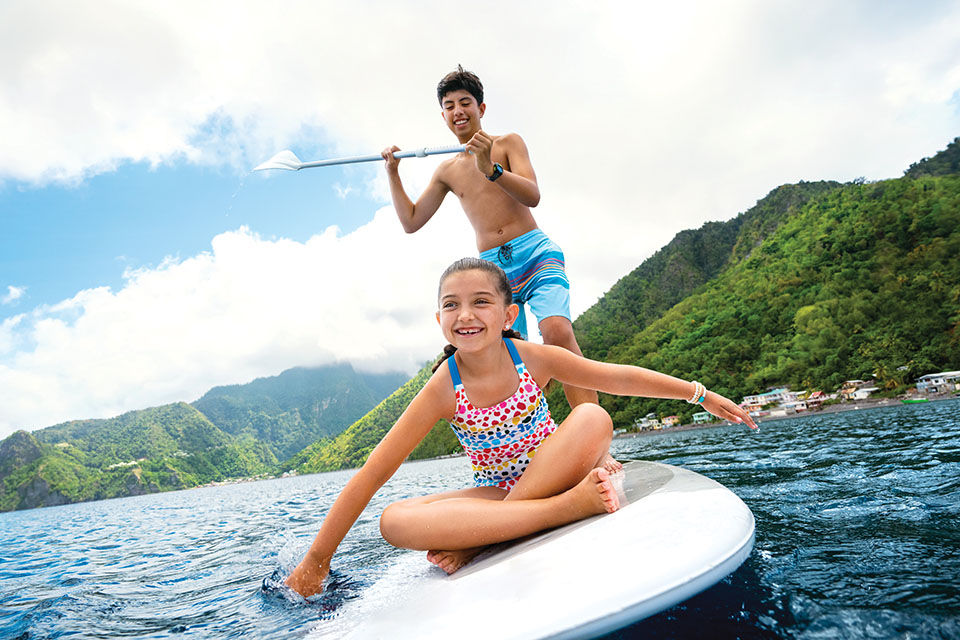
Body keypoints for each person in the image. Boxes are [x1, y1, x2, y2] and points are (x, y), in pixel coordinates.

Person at [284, 258, 757, 597]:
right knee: (395, 520)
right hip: (502, 496)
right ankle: (557, 512)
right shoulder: (442, 388)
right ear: (439, 320)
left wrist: (699, 394)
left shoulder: (531, 357)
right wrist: (316, 560)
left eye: (481, 302)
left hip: (559, 469)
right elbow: (373, 473)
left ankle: (493, 534)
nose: (465, 315)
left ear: (508, 315)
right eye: (452, 305)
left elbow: (616, 377)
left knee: (592, 415)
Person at [381, 65, 597, 414]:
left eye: (465, 102)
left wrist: (491, 169)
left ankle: (597, 441)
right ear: (444, 116)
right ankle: (541, 446)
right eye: (449, 106)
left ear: (481, 108)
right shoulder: (447, 169)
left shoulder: (508, 143)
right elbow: (411, 221)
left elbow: (532, 196)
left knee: (556, 332)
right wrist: (393, 174)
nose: (458, 111)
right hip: (493, 271)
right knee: (512, 358)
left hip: (535, 252)